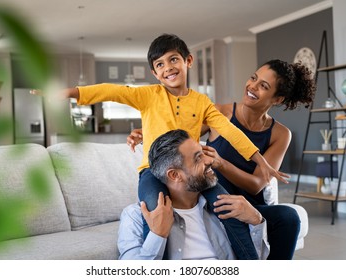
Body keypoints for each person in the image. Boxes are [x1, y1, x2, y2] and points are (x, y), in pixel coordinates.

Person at [32, 34, 288, 260]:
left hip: (192, 172)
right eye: (160, 64)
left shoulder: (202, 103)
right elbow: (111, 91)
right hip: (152, 172)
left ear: (188, 60)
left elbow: (231, 131)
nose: (168, 68)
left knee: (227, 209)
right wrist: (67, 93)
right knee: (155, 211)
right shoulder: (149, 95)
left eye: (173, 59)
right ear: (155, 74)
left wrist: (260, 160)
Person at [127, 59, 316, 259]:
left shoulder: (280, 134)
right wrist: (147, 133)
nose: (252, 86)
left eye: (264, 86)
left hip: (249, 205)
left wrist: (221, 164)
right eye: (253, 78)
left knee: (289, 217)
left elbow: (256, 185)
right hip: (213, 204)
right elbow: (181, 138)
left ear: (277, 99)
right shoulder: (219, 112)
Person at [118, 129, 269, 260]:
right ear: (175, 175)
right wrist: (157, 235)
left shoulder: (224, 208)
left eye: (204, 153)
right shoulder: (135, 216)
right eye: (198, 158)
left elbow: (254, 262)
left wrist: (256, 220)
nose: (210, 160)